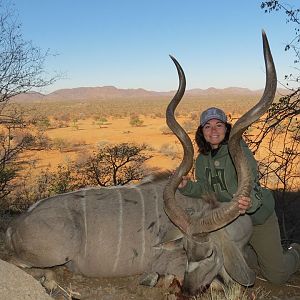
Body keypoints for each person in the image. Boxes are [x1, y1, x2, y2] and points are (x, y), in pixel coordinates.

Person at [178, 107, 300, 284]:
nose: (213, 131)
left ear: (227, 129)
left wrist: (248, 203)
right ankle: (252, 252)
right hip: (229, 223)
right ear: (201, 131)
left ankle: (295, 250)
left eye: (219, 125)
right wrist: (186, 186)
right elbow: (206, 189)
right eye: (207, 126)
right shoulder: (203, 160)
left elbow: (252, 185)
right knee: (231, 263)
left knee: (277, 276)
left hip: (257, 218)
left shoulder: (238, 151)